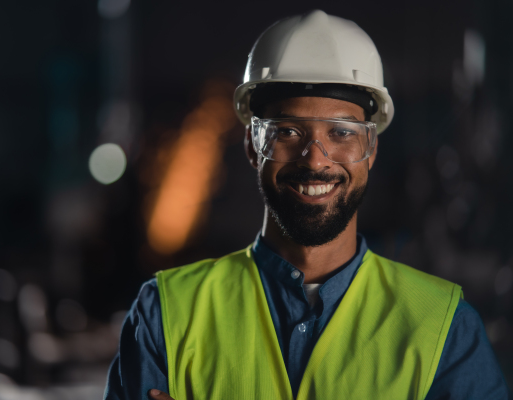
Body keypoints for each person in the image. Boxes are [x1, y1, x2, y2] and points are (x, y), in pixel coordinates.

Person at [105, 10, 510, 400]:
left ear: (371, 150)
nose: (315, 159)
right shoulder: (166, 314)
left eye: (341, 132)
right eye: (287, 131)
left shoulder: (444, 328)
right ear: (252, 146)